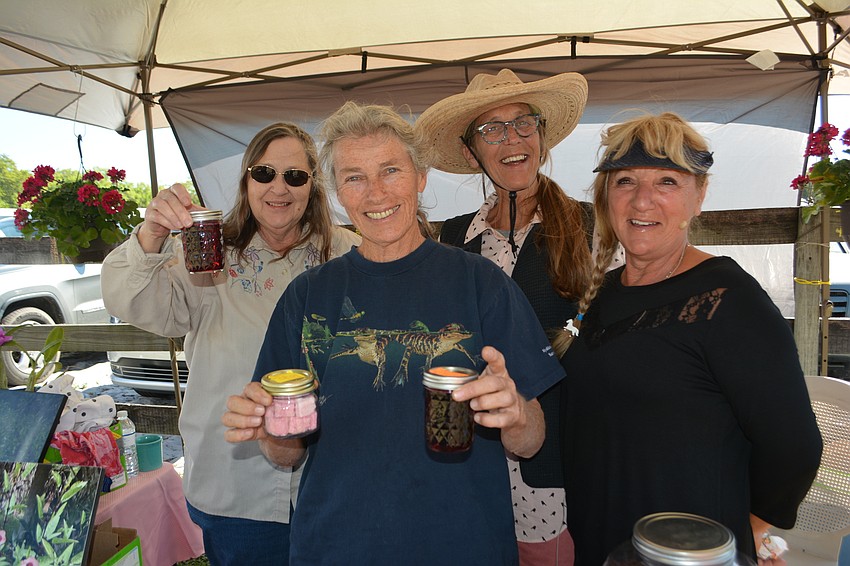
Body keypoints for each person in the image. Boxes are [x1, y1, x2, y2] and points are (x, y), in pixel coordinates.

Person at [222, 101, 566, 564]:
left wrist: (518, 414)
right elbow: (287, 454)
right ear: (338, 191)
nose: (375, 193)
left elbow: (532, 440)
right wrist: (268, 427)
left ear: (420, 176)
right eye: (354, 177)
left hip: (465, 546)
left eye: (390, 170)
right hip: (335, 548)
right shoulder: (308, 297)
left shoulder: (482, 283)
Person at [553, 111, 823, 565]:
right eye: (625, 182)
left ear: (700, 196)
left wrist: (749, 529)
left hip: (686, 551)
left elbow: (794, 444)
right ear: (606, 196)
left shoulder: (728, 299)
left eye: (667, 182)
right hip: (602, 540)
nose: (642, 202)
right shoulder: (601, 294)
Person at [101, 122, 361, 565]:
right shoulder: (210, 253)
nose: (278, 187)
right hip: (236, 484)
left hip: (333, 482)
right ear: (246, 180)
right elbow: (134, 301)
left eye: (294, 176)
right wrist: (152, 235)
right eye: (265, 173)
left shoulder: (347, 255)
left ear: (313, 186)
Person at [417, 68, 598, 565]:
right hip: (468, 466)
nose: (511, 139)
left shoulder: (592, 227)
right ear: (473, 151)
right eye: (491, 129)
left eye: (524, 123)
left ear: (541, 135)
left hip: (558, 468)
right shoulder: (448, 239)